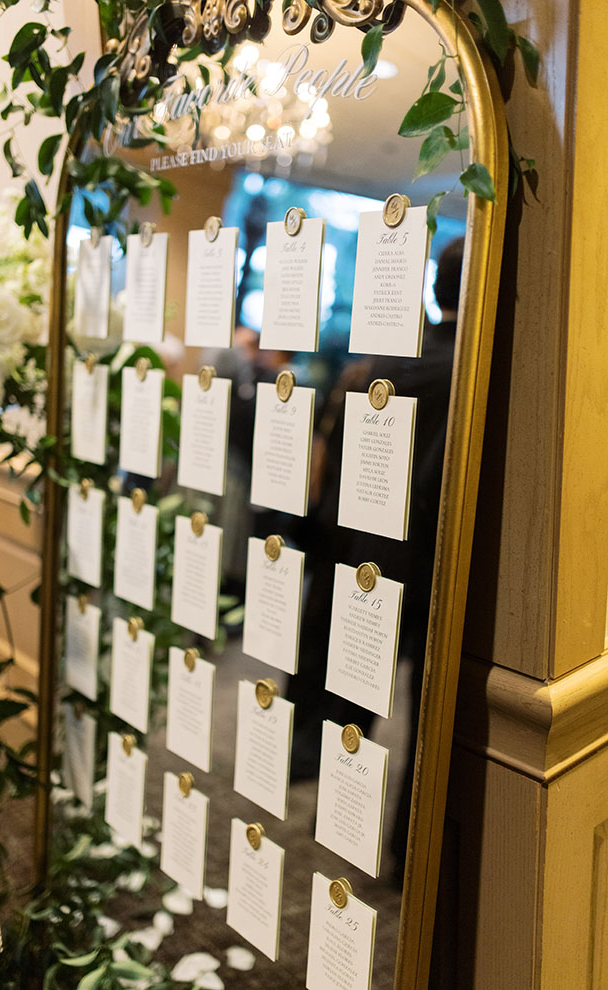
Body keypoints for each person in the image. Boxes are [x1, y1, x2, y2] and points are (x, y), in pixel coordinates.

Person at [287, 236, 464, 878]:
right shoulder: (473, 370)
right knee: (428, 709)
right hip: (438, 560)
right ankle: (404, 849)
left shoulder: (379, 365)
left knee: (354, 693)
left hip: (367, 552)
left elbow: (337, 471)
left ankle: (340, 812)